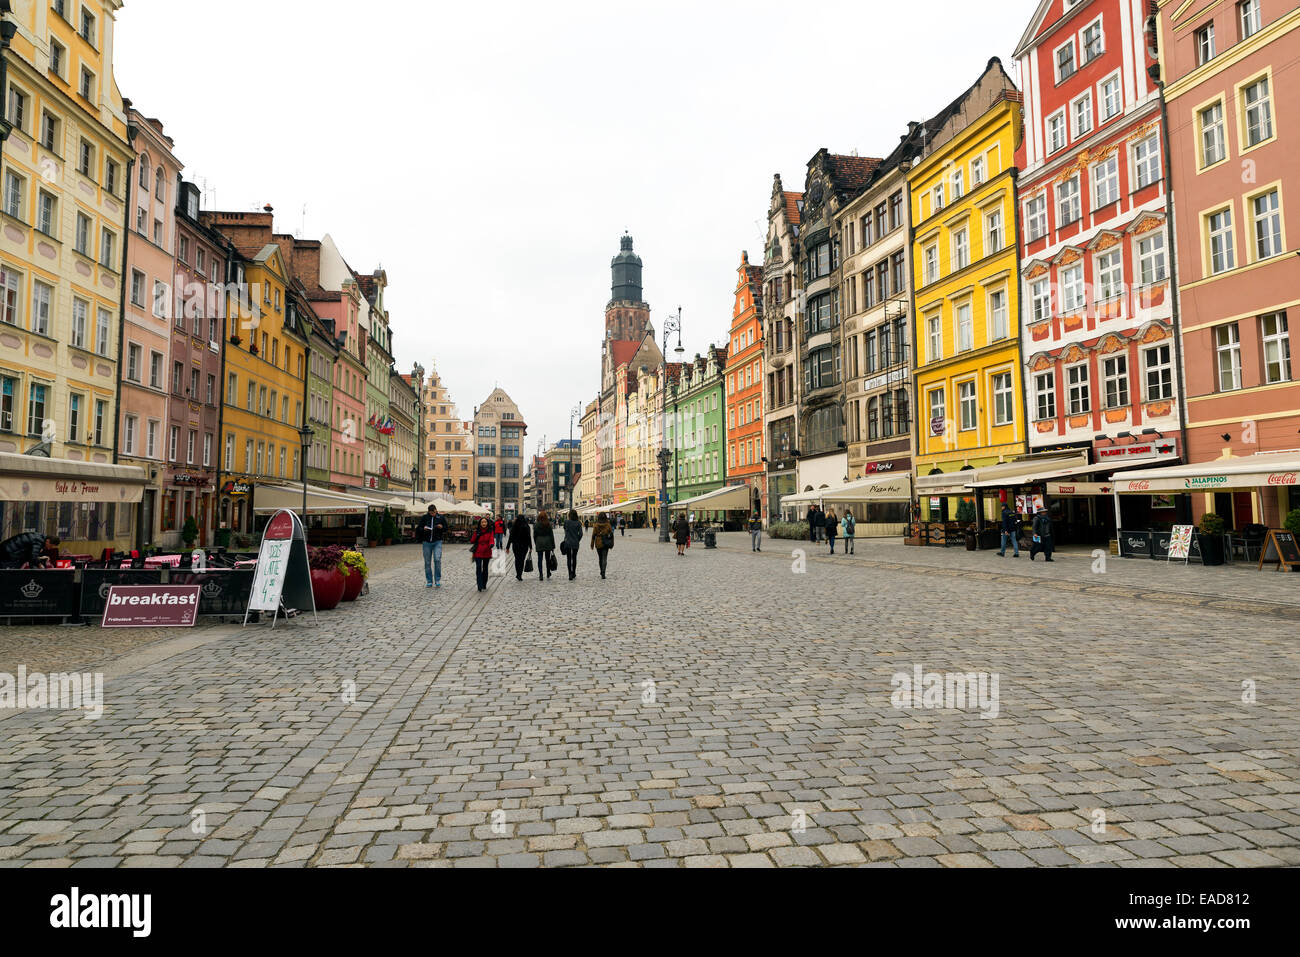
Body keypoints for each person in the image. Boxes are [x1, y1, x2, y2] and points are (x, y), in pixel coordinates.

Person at [416, 504, 449, 587]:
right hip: (426, 542)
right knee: (427, 562)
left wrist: (441, 527)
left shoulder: (440, 517)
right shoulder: (424, 517)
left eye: (433, 512)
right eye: (431, 513)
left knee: (437, 559)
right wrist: (423, 528)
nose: (432, 514)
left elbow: (446, 528)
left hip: (437, 541)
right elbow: (418, 528)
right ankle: (429, 581)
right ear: (428, 512)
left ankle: (437, 580)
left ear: (436, 510)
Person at [469, 518, 495, 591]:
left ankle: (484, 583)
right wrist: (475, 535)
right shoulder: (477, 531)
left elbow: (491, 539)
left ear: (487, 523)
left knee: (485, 568)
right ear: (480, 523)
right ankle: (479, 584)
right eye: (482, 522)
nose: (484, 523)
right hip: (478, 551)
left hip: (487, 550)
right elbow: (472, 541)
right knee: (478, 567)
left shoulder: (490, 531)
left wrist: (491, 544)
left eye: (485, 522)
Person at [507, 514, 532, 580]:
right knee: (522, 560)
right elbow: (529, 537)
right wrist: (531, 546)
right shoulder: (526, 526)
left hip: (516, 545)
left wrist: (508, 547)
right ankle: (520, 574)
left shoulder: (514, 526)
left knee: (517, 559)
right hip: (524, 546)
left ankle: (518, 573)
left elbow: (511, 537)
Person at [533, 511, 556, 581]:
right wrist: (553, 545)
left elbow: (534, 535)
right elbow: (551, 535)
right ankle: (548, 572)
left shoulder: (536, 525)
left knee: (540, 559)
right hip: (548, 542)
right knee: (547, 559)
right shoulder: (548, 524)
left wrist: (536, 542)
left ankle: (541, 574)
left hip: (539, 542)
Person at [591, 511, 614, 579]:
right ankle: (603, 572)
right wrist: (612, 543)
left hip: (598, 542)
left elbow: (593, 535)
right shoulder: (608, 525)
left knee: (600, 558)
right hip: (606, 542)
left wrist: (592, 544)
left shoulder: (596, 525)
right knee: (604, 558)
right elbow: (611, 535)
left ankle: (601, 571)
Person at [562, 509, 584, 580]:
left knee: (568, 558)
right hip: (575, 543)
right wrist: (577, 540)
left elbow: (565, 529)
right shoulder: (578, 523)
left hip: (568, 542)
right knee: (574, 558)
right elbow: (581, 534)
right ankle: (573, 572)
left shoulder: (566, 522)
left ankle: (569, 574)